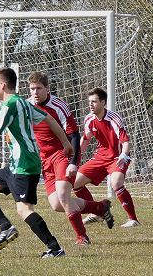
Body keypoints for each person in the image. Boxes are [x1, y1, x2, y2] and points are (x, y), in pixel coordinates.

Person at [0, 68, 71, 258]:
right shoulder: (23, 103)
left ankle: (54, 248)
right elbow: (49, 118)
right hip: (17, 164)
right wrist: (66, 143)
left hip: (24, 165)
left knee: (24, 209)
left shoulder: (9, 105)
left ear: (2, 85)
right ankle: (6, 228)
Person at [27, 72, 113, 245]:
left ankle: (82, 237)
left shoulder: (58, 105)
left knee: (63, 196)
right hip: (45, 160)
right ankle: (99, 207)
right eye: (32, 89)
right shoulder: (27, 105)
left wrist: (73, 163)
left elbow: (74, 135)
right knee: (57, 205)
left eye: (39, 88)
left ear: (47, 88)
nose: (35, 92)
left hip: (62, 154)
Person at [73, 87, 141, 228]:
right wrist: (74, 156)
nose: (91, 105)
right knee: (75, 183)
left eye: (94, 101)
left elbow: (126, 142)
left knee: (116, 183)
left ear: (103, 103)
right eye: (89, 102)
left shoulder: (114, 118)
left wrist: (124, 155)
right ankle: (96, 213)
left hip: (118, 156)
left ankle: (133, 219)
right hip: (100, 157)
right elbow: (85, 140)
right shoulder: (89, 119)